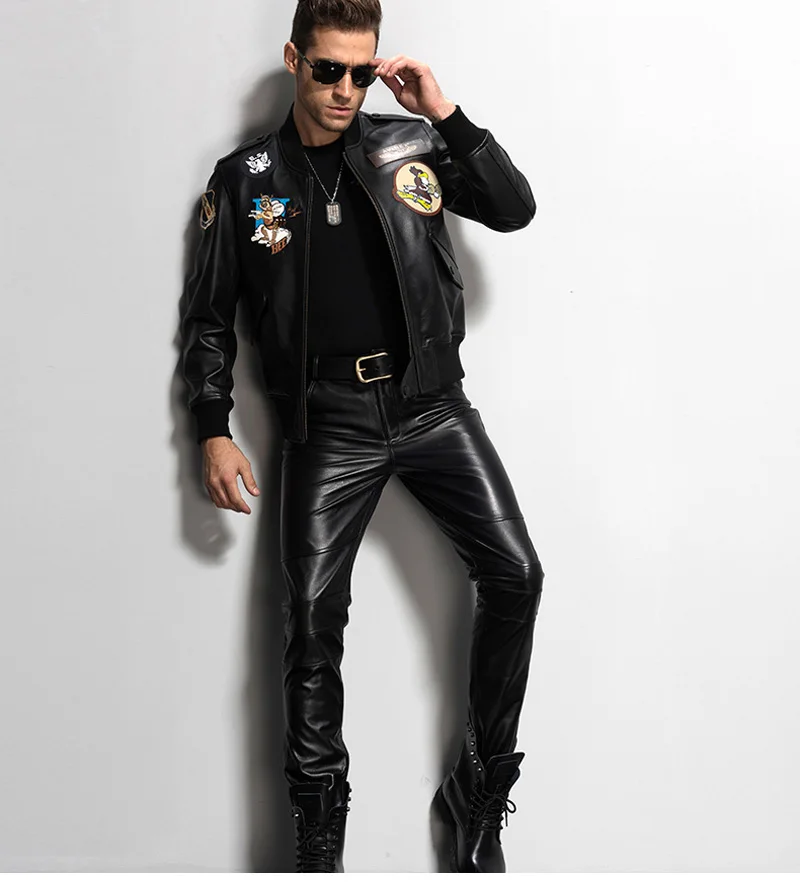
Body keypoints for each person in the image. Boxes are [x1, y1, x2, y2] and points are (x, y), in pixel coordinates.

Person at [180, 0, 545, 873]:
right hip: (328, 424)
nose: (345, 89)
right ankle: (320, 835)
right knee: (310, 620)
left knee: (518, 575)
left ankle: (478, 792)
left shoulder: (409, 144)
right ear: (294, 60)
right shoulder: (247, 178)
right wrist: (211, 428)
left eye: (359, 72)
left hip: (431, 406)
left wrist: (442, 113)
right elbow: (208, 320)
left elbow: (514, 209)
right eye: (327, 70)